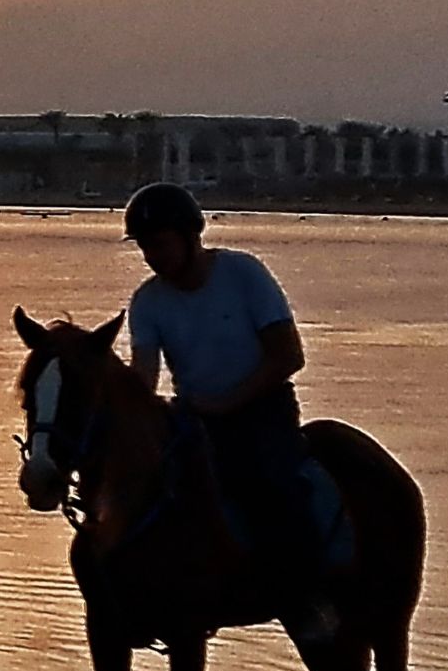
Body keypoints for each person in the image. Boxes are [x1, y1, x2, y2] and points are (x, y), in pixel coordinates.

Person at [120, 182, 330, 640]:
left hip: (262, 408)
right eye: (145, 248)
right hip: (194, 416)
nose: (152, 256)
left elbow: (288, 355)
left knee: (275, 484)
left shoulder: (244, 275)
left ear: (190, 236)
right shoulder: (147, 301)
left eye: (159, 244)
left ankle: (306, 596)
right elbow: (144, 375)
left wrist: (227, 401)